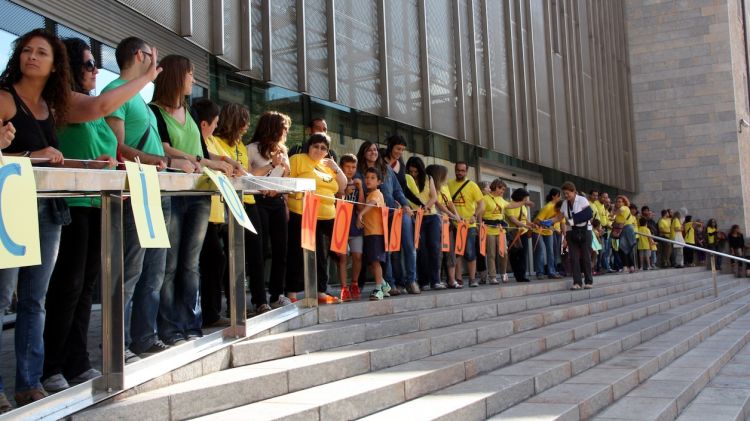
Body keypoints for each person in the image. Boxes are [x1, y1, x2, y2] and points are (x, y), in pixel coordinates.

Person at [0, 29, 158, 407]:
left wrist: (86, 163)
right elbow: (98, 109)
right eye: (26, 51)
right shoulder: (6, 98)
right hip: (13, 203)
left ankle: (29, 380)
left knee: (36, 298)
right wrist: (145, 78)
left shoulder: (49, 105)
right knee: (6, 295)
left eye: (41, 52)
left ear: (56, 65)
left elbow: (50, 153)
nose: (32, 57)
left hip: (52, 205)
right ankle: (34, 374)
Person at [41, 37, 118, 394]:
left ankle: (77, 359)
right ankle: (51, 364)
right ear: (71, 68)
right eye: (88, 64)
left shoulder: (92, 111)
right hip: (70, 204)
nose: (95, 70)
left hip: (97, 202)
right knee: (66, 286)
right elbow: (101, 105)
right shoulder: (64, 102)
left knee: (86, 286)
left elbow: (101, 146)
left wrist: (102, 162)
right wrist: (144, 75)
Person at [150, 55, 233, 345]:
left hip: (198, 195)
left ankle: (191, 324)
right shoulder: (154, 111)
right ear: (176, 75)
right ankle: (169, 327)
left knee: (191, 264)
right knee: (170, 264)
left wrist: (221, 162)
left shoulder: (189, 113)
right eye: (190, 74)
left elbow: (200, 152)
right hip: (172, 195)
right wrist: (200, 159)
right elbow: (163, 148)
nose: (193, 80)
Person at [210, 103, 271, 314]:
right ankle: (233, 305)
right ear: (235, 122)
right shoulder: (214, 142)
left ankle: (260, 300)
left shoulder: (241, 146)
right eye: (244, 121)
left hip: (249, 201)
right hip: (228, 202)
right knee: (231, 253)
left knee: (257, 252)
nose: (247, 125)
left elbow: (245, 173)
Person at [194, 99, 245, 326]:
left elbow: (216, 159)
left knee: (214, 260)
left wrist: (226, 161)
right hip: (199, 210)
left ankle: (210, 313)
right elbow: (206, 161)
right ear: (204, 123)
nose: (216, 126)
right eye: (214, 123)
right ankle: (207, 314)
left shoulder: (210, 141)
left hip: (214, 212)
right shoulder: (197, 142)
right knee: (210, 260)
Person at [286, 134, 347, 303]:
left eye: (323, 148)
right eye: (316, 146)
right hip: (302, 211)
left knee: (322, 254)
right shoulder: (298, 159)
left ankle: (320, 291)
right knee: (298, 253)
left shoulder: (327, 165)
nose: (319, 150)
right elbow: (286, 182)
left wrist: (336, 167)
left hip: (327, 216)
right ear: (308, 146)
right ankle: (291, 293)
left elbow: (342, 186)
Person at [246, 111, 293, 309]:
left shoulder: (283, 149)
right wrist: (271, 164)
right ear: (273, 127)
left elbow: (285, 177)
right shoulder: (252, 148)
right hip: (257, 200)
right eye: (284, 128)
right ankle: (259, 299)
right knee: (260, 250)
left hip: (278, 202)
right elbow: (247, 176)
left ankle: (276, 294)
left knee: (281, 249)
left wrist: (285, 199)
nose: (286, 132)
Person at [354, 141, 411, 294]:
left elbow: (398, 190)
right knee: (378, 253)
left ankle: (402, 282)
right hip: (372, 218)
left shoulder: (386, 168)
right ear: (363, 152)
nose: (373, 152)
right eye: (369, 150)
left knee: (397, 248)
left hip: (391, 213)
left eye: (375, 149)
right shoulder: (358, 171)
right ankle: (387, 284)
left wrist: (405, 205)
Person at [382, 135, 418, 294]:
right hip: (386, 211)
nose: (400, 152)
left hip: (402, 211)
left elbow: (401, 189)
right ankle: (393, 283)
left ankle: (411, 280)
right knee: (390, 249)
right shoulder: (381, 163)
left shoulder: (400, 165)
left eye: (402, 150)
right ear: (390, 147)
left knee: (409, 246)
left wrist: (406, 204)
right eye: (398, 148)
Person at [549, 182, 594, 289]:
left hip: (585, 231)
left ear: (574, 191)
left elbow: (588, 214)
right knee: (573, 257)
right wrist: (548, 222)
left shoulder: (582, 200)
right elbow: (559, 217)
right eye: (564, 193)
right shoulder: (564, 203)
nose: (566, 195)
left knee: (586, 257)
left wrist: (572, 221)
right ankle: (577, 282)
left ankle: (589, 281)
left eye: (568, 193)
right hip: (571, 232)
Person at [482, 179, 527, 284]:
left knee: (504, 253)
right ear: (496, 187)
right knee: (491, 254)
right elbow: (480, 213)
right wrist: (480, 226)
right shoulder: (485, 199)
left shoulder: (501, 200)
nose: (503, 192)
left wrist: (523, 202)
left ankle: (503, 273)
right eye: (502, 189)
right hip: (489, 230)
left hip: (501, 230)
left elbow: (511, 205)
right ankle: (492, 276)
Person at [448, 162, 485, 287]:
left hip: (469, 225)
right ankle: (458, 279)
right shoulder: (449, 184)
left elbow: (482, 205)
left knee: (470, 252)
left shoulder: (472, 185)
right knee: (456, 253)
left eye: (462, 171)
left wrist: (474, 216)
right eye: (458, 170)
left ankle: (472, 278)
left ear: (466, 171)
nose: (460, 172)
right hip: (454, 224)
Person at [405, 156, 439, 290]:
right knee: (421, 250)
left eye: (416, 171)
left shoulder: (428, 178)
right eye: (411, 171)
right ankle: (424, 281)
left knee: (434, 248)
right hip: (415, 217)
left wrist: (425, 207)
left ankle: (435, 280)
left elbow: (434, 197)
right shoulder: (406, 179)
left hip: (431, 216)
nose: (413, 174)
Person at [426, 164, 462, 288]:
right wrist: (451, 214)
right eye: (445, 174)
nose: (447, 176)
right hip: (438, 220)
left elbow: (450, 203)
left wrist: (456, 215)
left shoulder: (445, 187)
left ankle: (452, 280)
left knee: (450, 252)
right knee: (438, 253)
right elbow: (438, 203)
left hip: (448, 223)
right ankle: (437, 280)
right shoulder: (433, 187)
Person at [357, 168, 388, 300]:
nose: (368, 180)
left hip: (376, 233)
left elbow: (371, 204)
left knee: (375, 262)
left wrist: (361, 214)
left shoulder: (376, 194)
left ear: (379, 181)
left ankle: (378, 289)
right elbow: (363, 204)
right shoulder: (370, 193)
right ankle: (384, 285)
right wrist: (361, 189)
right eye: (367, 177)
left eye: (372, 178)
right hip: (369, 233)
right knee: (372, 262)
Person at [337, 154, 364, 301]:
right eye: (347, 166)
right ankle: (343, 287)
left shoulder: (357, 182)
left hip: (355, 224)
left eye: (353, 167)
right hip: (340, 224)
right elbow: (334, 202)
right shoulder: (337, 181)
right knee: (342, 257)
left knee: (357, 256)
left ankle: (354, 283)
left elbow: (361, 206)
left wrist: (360, 189)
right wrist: (343, 193)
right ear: (341, 167)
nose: (350, 170)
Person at [505, 188, 535, 283]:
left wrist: (531, 224)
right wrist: (525, 225)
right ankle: (517, 274)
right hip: (514, 232)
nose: (526, 199)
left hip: (523, 232)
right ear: (520, 197)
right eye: (525, 198)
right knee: (515, 254)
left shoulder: (523, 207)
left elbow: (524, 219)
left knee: (523, 254)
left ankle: (522, 275)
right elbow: (513, 220)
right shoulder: (510, 205)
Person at [533, 188, 562, 280]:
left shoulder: (559, 209)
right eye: (559, 196)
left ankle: (551, 272)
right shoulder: (548, 207)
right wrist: (544, 224)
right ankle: (540, 272)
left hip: (549, 231)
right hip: (538, 231)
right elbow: (537, 220)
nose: (560, 198)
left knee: (551, 251)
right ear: (554, 196)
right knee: (541, 251)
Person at [612, 195, 637, 273]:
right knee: (627, 248)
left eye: (620, 202)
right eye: (617, 201)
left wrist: (613, 212)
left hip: (626, 229)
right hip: (625, 229)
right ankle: (631, 266)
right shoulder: (624, 209)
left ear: (624, 202)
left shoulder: (624, 208)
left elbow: (617, 212)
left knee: (623, 248)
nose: (618, 203)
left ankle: (626, 266)